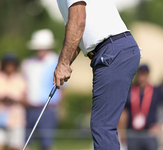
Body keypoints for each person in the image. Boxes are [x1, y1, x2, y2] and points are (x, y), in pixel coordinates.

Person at [53, 0, 141, 149]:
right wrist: (64, 63)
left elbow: (78, 21)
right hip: (116, 49)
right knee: (103, 124)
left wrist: (63, 64)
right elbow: (77, 35)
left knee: (102, 125)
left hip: (112, 50)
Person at [21, 29, 64, 150]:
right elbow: (23, 85)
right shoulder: (28, 63)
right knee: (26, 142)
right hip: (30, 108)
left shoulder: (57, 62)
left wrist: (60, 106)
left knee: (46, 144)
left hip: (48, 108)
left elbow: (63, 88)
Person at [118, 64, 163, 150]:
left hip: (149, 133)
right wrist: (121, 132)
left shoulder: (156, 91)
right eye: (141, 74)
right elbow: (124, 113)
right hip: (132, 133)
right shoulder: (130, 90)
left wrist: (160, 125)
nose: (142, 77)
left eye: (144, 74)